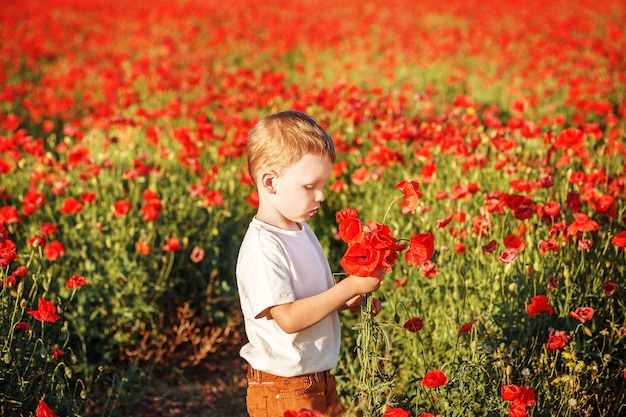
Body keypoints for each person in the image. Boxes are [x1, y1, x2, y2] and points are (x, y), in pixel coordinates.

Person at [236, 110, 384, 417]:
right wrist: (348, 286)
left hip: (317, 378)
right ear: (270, 182)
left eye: (323, 185)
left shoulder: (300, 230)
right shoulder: (264, 247)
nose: (321, 195)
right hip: (284, 388)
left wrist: (349, 300)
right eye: (309, 186)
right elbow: (288, 318)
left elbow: (309, 298)